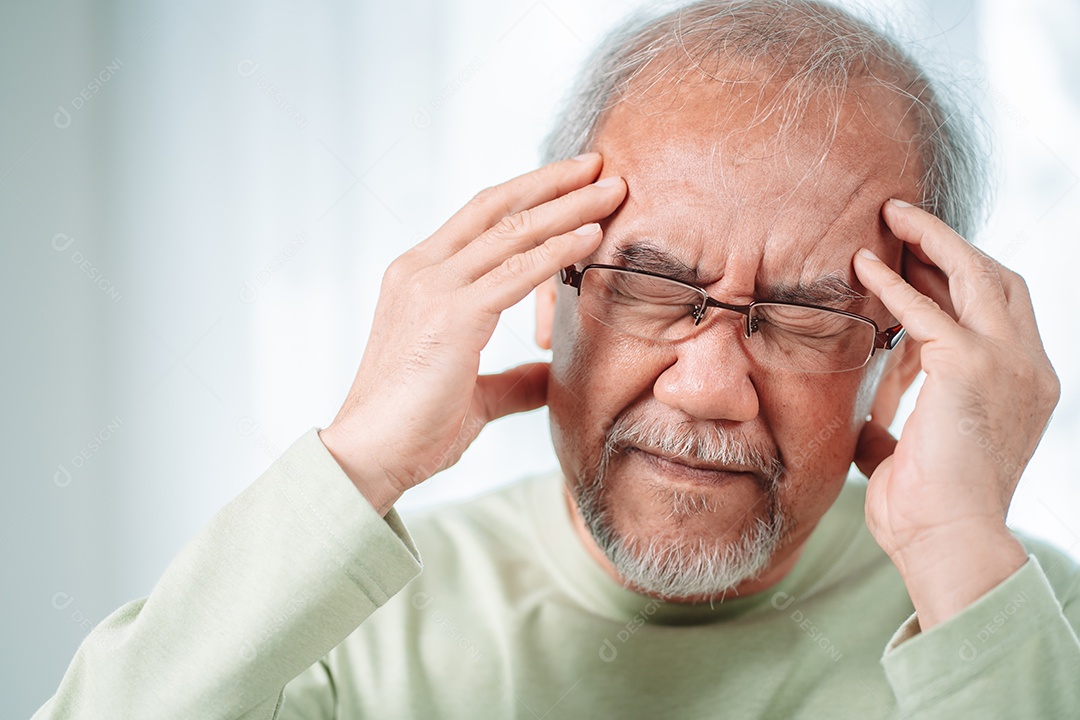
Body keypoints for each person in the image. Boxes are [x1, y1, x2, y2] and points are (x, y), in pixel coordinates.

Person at [34, 1, 1078, 718]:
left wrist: (957, 561)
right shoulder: (335, 615)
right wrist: (357, 467)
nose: (709, 388)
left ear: (904, 359)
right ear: (546, 288)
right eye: (655, 286)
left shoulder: (1020, 619)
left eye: (806, 316)